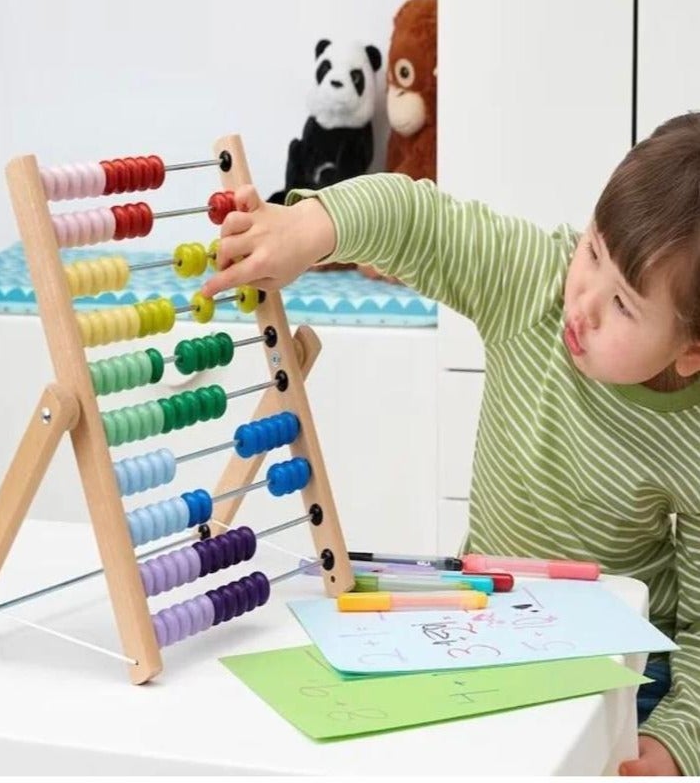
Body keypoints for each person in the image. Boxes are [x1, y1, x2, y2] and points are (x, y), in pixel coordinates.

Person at [203, 112, 700, 776]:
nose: (582, 304)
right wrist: (309, 229)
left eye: (625, 306)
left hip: (618, 676)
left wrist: (669, 744)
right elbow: (419, 219)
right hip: (483, 630)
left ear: (691, 352)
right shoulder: (533, 283)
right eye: (593, 252)